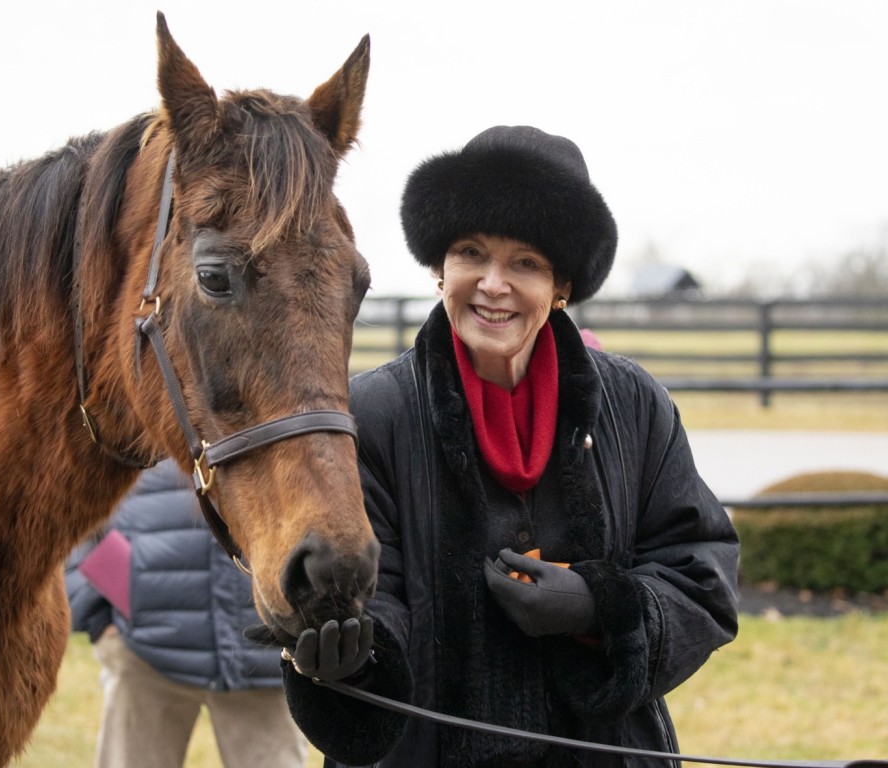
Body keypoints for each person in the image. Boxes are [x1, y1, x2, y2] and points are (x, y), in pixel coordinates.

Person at [278, 125, 740, 767]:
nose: (494, 284)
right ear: (440, 267)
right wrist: (355, 660)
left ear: (562, 287)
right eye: (471, 253)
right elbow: (371, 594)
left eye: (525, 262)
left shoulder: (633, 403)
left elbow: (702, 573)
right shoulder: (374, 414)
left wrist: (597, 606)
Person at [66, 459, 309, 768]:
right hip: (143, 650)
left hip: (261, 651)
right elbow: (76, 504)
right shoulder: (137, 412)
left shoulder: (284, 410)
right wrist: (105, 610)